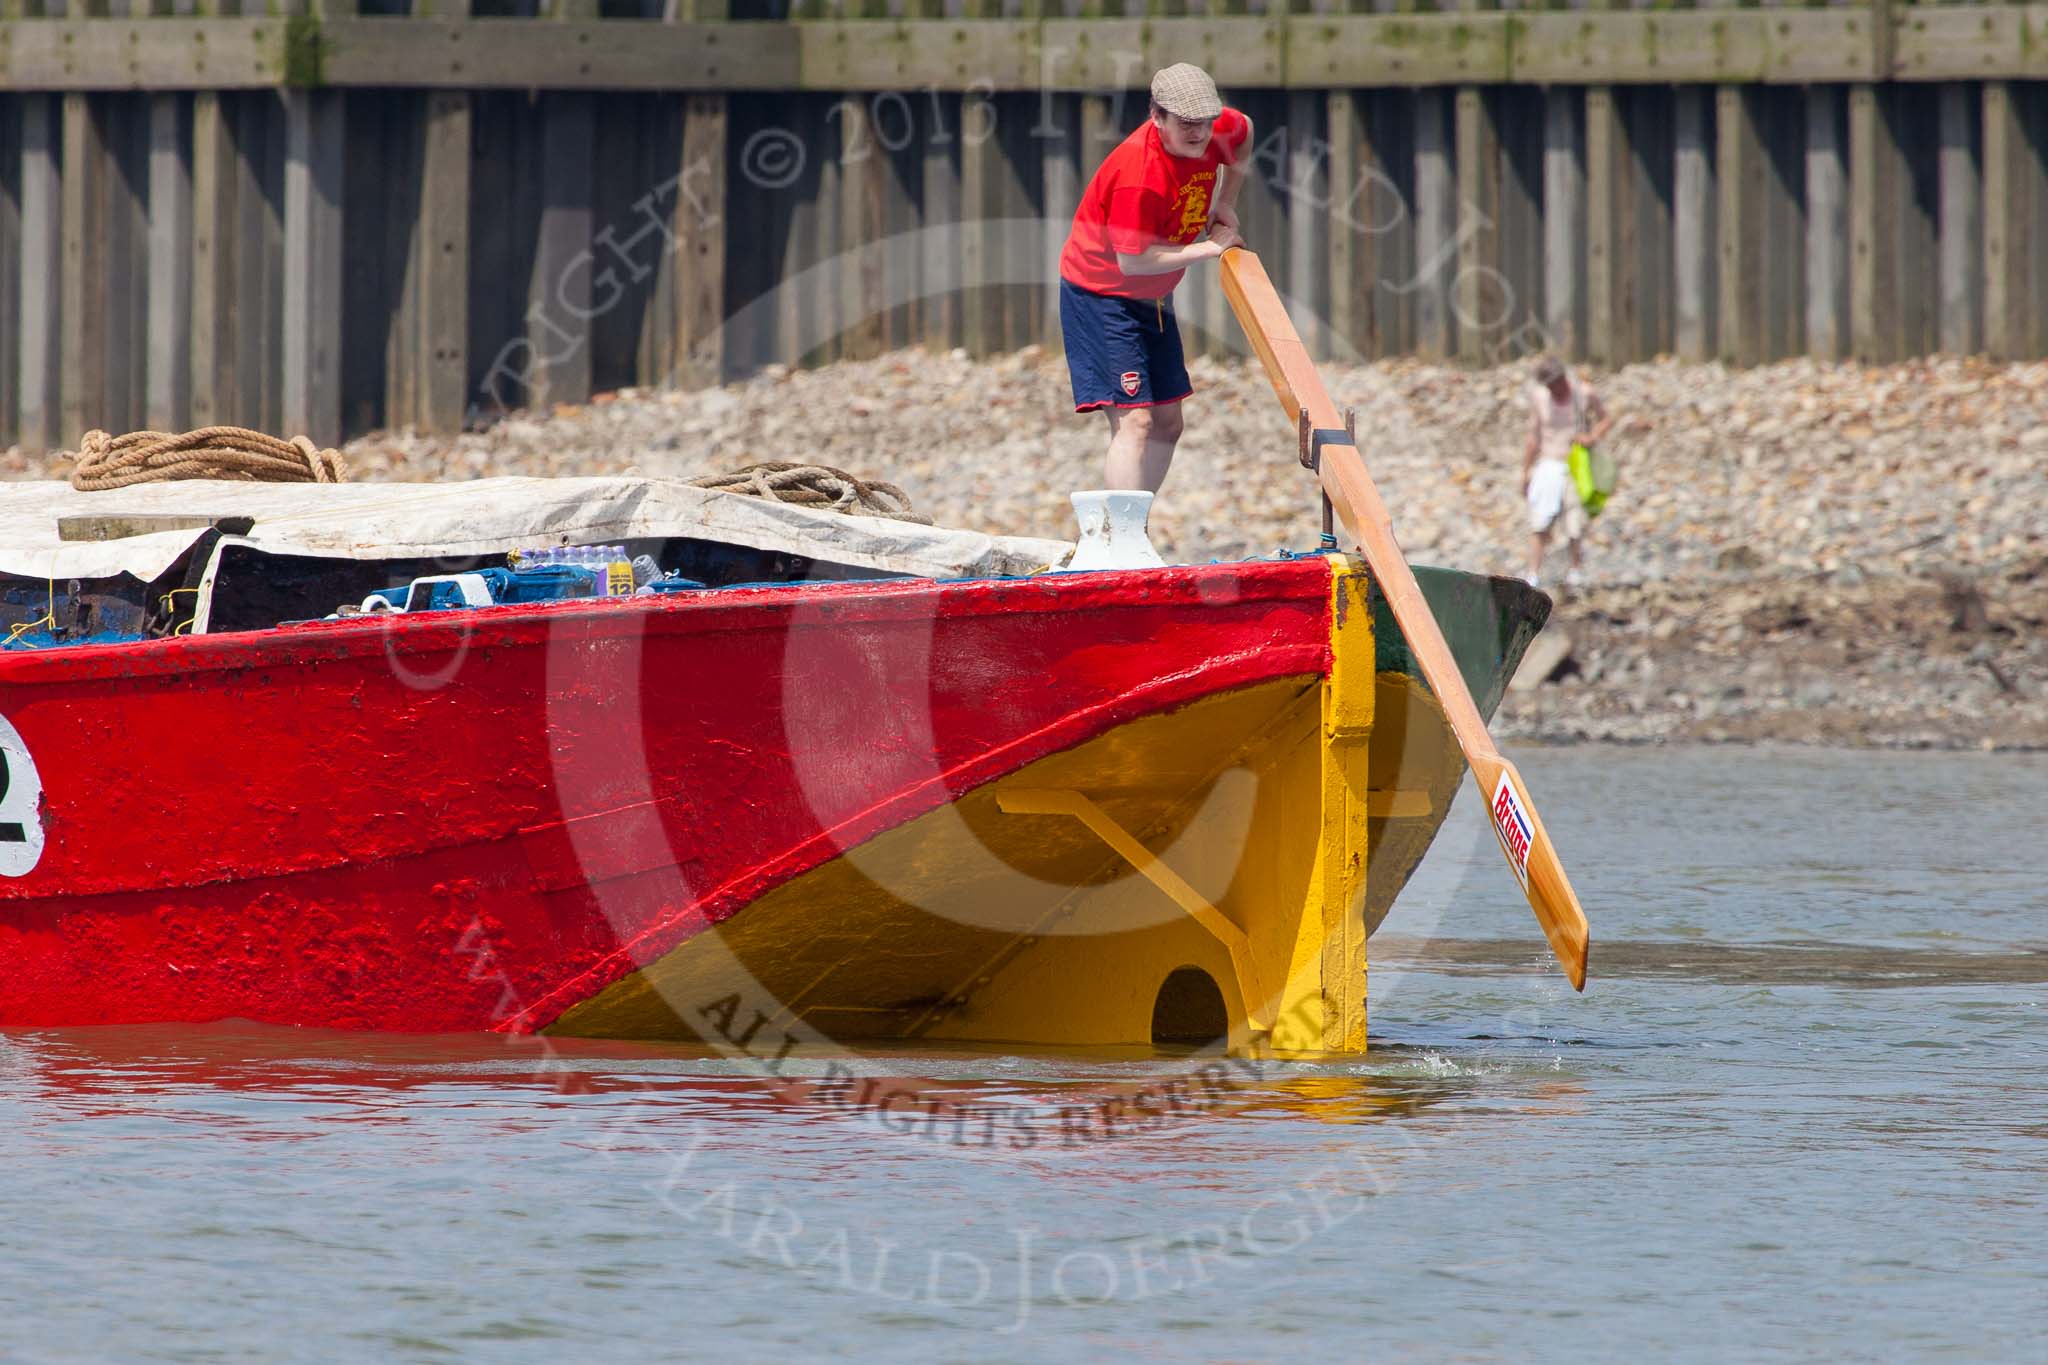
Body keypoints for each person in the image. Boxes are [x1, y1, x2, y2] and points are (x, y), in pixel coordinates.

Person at [1057, 64, 1253, 492]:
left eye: (1204, 124)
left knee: (1168, 422)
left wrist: (1226, 202)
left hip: (1154, 296)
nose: (1199, 135)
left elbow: (1245, 131)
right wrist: (1211, 248)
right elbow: (1134, 263)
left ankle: (1134, 531)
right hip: (1102, 293)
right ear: (1157, 116)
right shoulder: (1139, 174)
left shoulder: (1217, 128)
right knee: (1137, 420)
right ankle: (1122, 542)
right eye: (1186, 125)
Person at [1521, 354, 1612, 589]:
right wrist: (1525, 471)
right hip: (1548, 462)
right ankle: (1533, 573)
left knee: (1574, 522)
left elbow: (1605, 419)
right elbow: (1534, 437)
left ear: (1564, 376)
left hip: (1574, 464)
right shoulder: (1540, 398)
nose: (1555, 387)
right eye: (1550, 384)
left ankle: (1576, 569)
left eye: (1557, 381)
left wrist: (1592, 437)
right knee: (1540, 521)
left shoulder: (1584, 394)